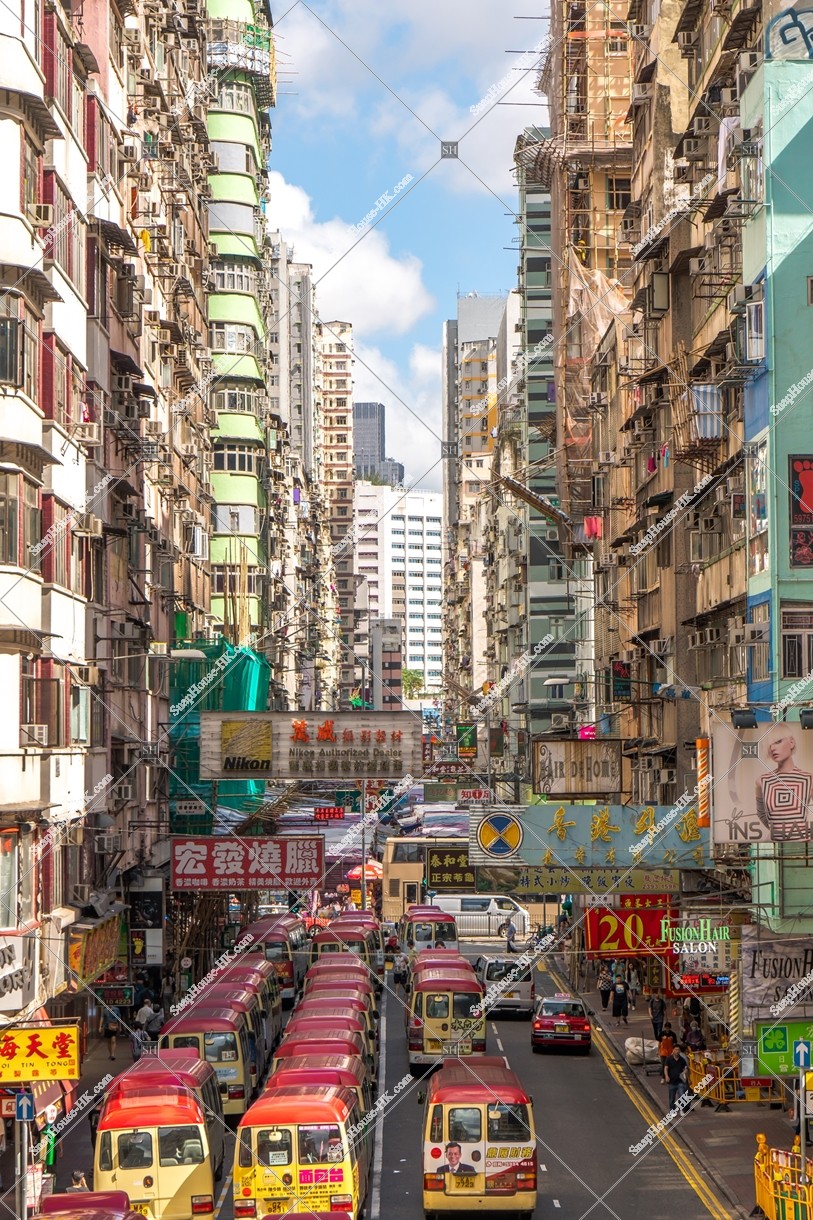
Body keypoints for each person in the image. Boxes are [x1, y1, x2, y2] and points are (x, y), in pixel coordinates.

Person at [755, 727, 813, 841]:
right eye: (769, 745)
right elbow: (761, 814)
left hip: (804, 845)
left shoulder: (808, 778)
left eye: (777, 742)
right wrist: (780, 833)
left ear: (791, 743)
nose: (772, 748)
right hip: (777, 845)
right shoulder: (762, 781)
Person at [663, 1044, 689, 1111]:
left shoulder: (682, 1060)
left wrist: (684, 1073)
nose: (677, 1051)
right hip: (672, 1081)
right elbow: (666, 1068)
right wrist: (666, 1076)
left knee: (682, 1095)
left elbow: (686, 1068)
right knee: (672, 1097)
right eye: (676, 1050)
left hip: (680, 1081)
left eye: (678, 1050)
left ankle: (682, 1109)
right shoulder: (669, 1059)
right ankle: (672, 1109)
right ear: (673, 1050)